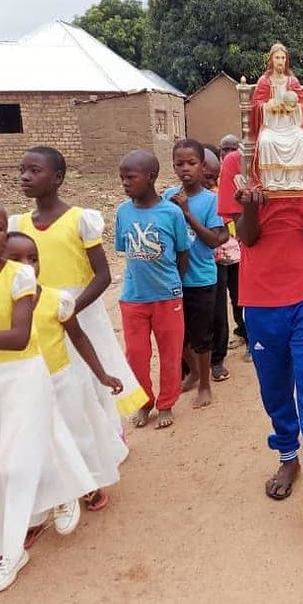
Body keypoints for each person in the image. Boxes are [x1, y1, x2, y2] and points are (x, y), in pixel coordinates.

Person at [0, 197, 97, 593]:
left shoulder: (20, 277)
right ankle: (62, 493)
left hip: (22, 375)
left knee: (18, 461)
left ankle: (11, 550)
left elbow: (17, 339)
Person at [10, 146, 148, 452]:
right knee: (56, 378)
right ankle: (70, 446)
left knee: (91, 373)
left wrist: (70, 308)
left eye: (35, 170)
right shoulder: (17, 226)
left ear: (57, 177)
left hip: (80, 310)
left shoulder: (80, 219)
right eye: (22, 170)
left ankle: (110, 442)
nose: (25, 176)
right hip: (40, 313)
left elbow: (102, 275)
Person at [4, 232, 127, 547]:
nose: (27, 266)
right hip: (22, 388)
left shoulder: (56, 300)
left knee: (77, 433)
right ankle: (36, 511)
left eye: (33, 258)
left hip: (61, 380)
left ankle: (89, 484)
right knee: (30, 446)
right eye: (15, 259)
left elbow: (79, 338)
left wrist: (102, 374)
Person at [235, 183, 303, 521]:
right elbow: (246, 236)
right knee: (275, 389)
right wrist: (252, 206)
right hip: (260, 299)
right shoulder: (239, 165)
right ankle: (287, 457)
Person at [115, 150, 190, 429]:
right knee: (135, 354)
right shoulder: (123, 211)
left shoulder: (171, 213)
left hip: (167, 297)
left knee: (170, 353)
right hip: (133, 298)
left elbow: (183, 253)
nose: (125, 183)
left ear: (151, 178)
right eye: (122, 178)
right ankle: (144, 402)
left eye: (130, 177)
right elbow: (124, 250)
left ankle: (166, 403)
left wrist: (174, 285)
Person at [164, 140, 229, 404]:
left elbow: (213, 240)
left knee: (202, 337)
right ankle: (190, 372)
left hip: (201, 278)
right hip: (172, 279)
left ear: (203, 166)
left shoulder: (210, 201)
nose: (185, 169)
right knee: (178, 335)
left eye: (191, 163)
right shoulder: (169, 196)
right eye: (179, 164)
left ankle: (204, 384)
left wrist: (187, 212)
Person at [251, 43, 303, 191]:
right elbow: (256, 105)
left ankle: (295, 179)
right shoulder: (264, 81)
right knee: (266, 141)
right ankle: (273, 180)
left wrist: (294, 107)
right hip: (272, 126)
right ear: (271, 60)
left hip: (290, 124)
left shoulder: (292, 81)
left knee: (302, 138)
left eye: (283, 57)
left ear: (286, 60)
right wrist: (268, 106)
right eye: (277, 58)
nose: (280, 61)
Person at [217, 135, 249, 358]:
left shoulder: (240, 176)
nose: (228, 154)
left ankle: (247, 336)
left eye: (231, 149)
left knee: (239, 297)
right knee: (221, 302)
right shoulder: (217, 180)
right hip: (219, 254)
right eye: (224, 150)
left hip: (237, 251)